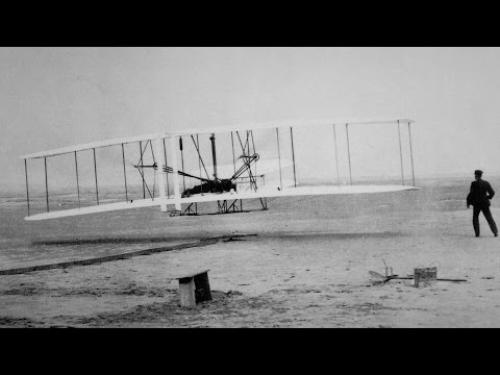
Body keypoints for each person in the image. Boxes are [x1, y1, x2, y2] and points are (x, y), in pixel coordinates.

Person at [467, 170, 498, 237]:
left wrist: (468, 202)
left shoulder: (473, 183)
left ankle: (477, 234)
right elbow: (492, 193)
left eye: (475, 175)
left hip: (477, 204)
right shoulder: (486, 183)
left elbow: (471, 194)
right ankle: (495, 232)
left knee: (475, 218)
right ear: (481, 175)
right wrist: (487, 197)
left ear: (476, 175)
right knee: (489, 218)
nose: (475, 176)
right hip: (485, 203)